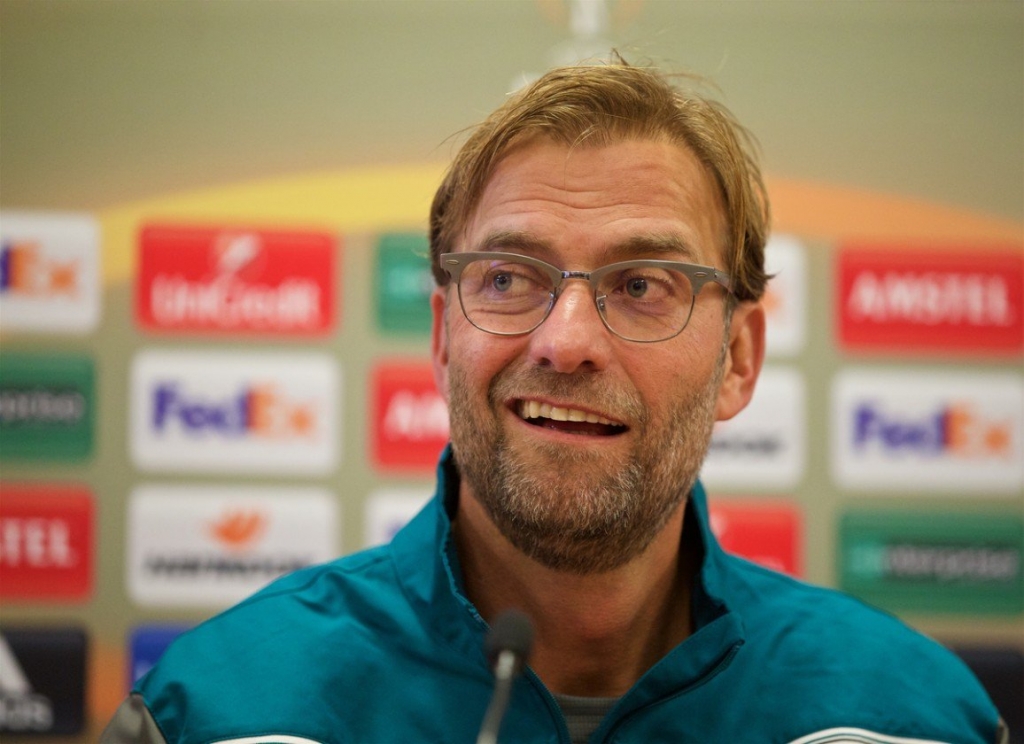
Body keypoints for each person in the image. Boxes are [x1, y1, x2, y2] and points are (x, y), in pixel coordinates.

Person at [102, 59, 1006, 744]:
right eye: (508, 277)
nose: (565, 339)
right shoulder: (223, 712)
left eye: (644, 283)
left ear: (738, 357)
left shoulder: (904, 718)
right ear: (443, 334)